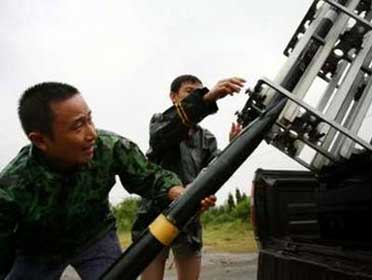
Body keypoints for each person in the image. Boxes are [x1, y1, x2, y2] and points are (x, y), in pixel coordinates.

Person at [0, 82, 216, 280]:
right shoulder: (12, 187)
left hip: (95, 237)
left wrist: (179, 193)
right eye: (78, 127)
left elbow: (150, 176)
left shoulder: (110, 147)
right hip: (39, 250)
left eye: (89, 119)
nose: (91, 133)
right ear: (40, 140)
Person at [131, 75, 245, 280]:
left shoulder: (207, 138)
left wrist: (232, 147)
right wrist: (206, 99)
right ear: (173, 97)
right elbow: (164, 136)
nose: (196, 95)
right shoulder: (160, 121)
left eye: (199, 91)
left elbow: (213, 173)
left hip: (188, 220)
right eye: (190, 92)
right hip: (154, 214)